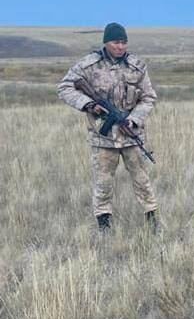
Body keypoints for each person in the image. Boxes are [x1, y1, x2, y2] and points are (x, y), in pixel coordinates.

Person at [57, 22, 159, 232]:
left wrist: (134, 120)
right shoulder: (88, 65)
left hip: (131, 134)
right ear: (106, 42)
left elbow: (149, 97)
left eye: (124, 42)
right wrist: (88, 104)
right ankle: (104, 224)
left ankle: (152, 219)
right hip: (102, 137)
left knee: (142, 179)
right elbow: (65, 87)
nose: (121, 47)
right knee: (103, 182)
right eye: (116, 42)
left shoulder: (137, 66)